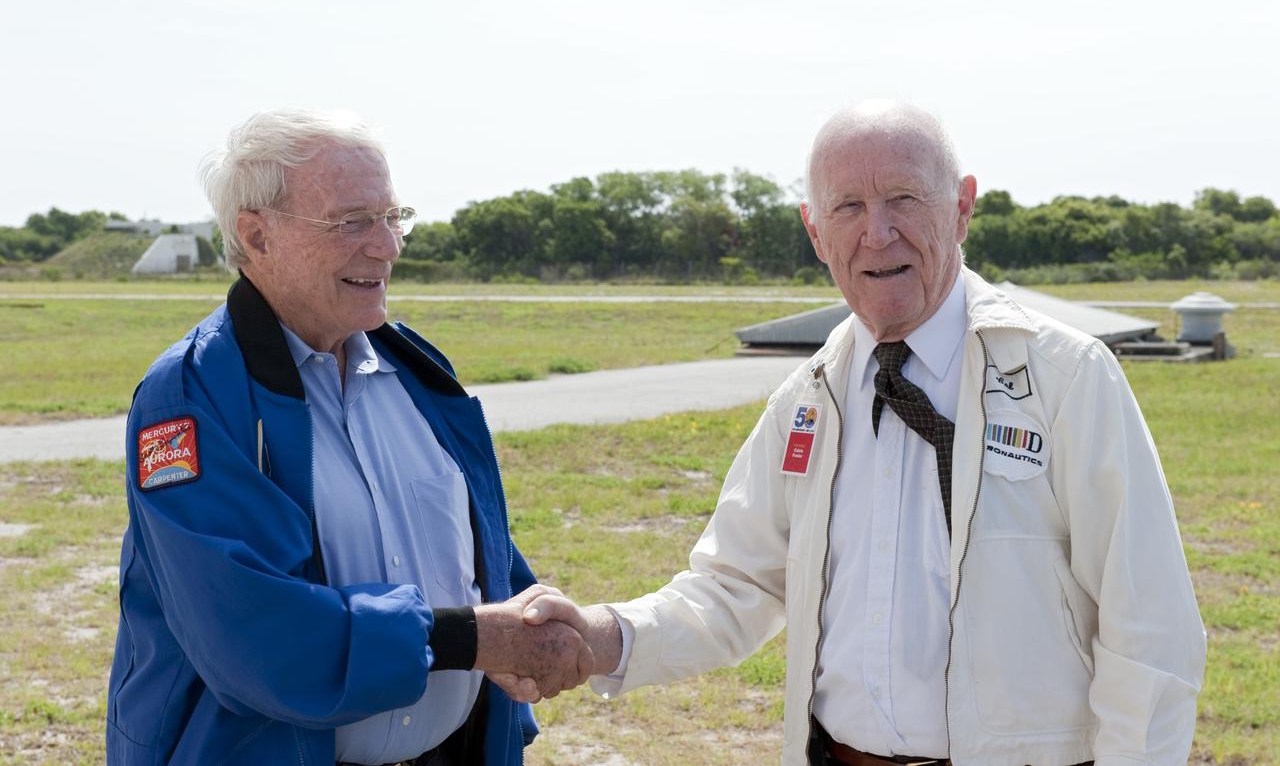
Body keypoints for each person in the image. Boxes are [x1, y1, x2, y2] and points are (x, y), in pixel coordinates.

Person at [516, 100, 1207, 765]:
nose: (877, 233)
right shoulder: (807, 398)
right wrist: (603, 637)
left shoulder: (1066, 379)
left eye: (904, 198)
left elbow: (1149, 632)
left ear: (962, 207)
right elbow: (734, 585)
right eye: (848, 207)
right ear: (815, 231)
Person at [106, 109, 590, 766]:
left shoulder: (416, 370)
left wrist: (529, 614)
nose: (387, 245)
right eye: (352, 221)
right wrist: (472, 639)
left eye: (393, 216)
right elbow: (257, 637)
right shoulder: (191, 397)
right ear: (256, 236)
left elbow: (467, 544)